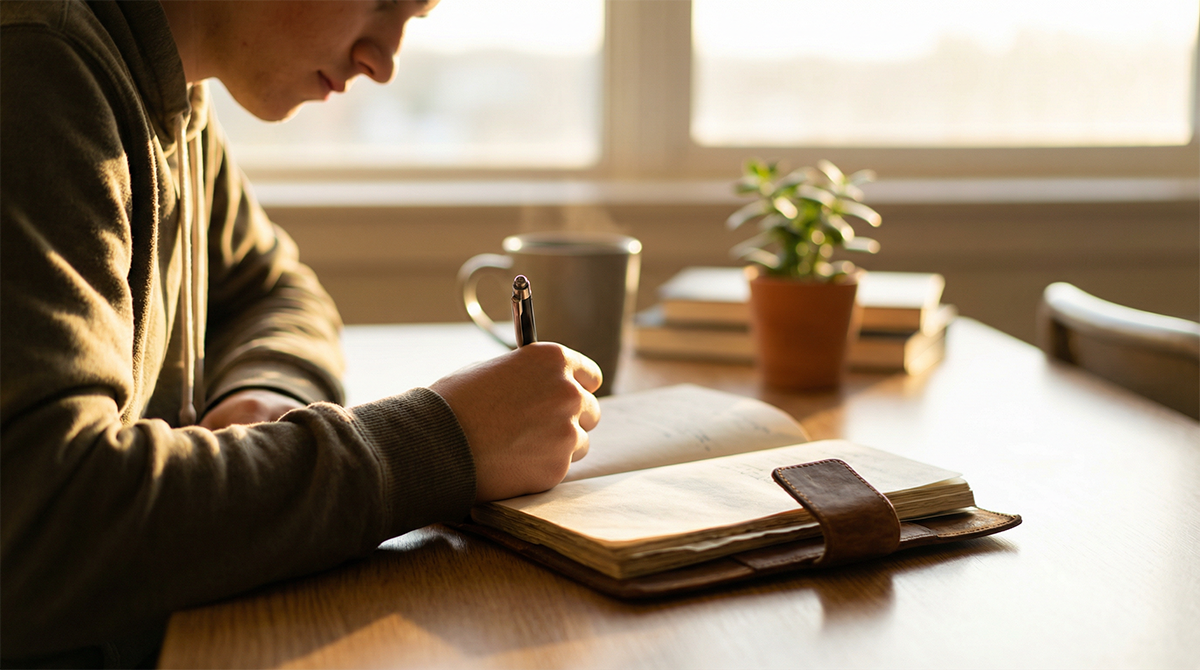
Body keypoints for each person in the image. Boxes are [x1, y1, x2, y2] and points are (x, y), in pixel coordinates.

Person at [0, 0, 602, 664]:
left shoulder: (170, 92)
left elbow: (279, 291)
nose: (383, 61)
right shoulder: (37, 70)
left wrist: (264, 391)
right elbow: (50, 519)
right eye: (381, 2)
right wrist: (444, 443)